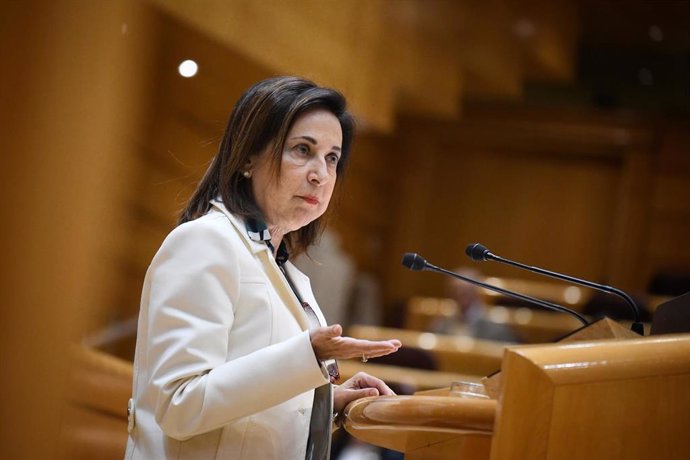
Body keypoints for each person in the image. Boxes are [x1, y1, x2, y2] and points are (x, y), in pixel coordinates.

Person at [124, 76, 401, 460]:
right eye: (303, 150)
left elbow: (241, 400)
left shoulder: (282, 266)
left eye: (332, 158)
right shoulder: (205, 242)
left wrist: (325, 404)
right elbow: (180, 405)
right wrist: (307, 357)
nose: (320, 173)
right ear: (248, 158)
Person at [430, 267, 519, 343]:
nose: (460, 295)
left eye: (466, 292)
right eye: (456, 291)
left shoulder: (497, 328)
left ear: (476, 292)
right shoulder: (441, 325)